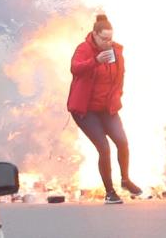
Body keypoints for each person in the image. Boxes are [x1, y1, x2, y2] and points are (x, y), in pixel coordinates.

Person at [67, 14, 142, 204]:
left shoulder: (116, 51)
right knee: (104, 148)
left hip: (107, 108)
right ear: (94, 35)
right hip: (85, 110)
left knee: (122, 142)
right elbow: (75, 68)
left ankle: (125, 180)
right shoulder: (84, 49)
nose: (108, 42)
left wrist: (117, 96)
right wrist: (96, 61)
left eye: (110, 38)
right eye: (104, 39)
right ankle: (110, 192)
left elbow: (120, 76)